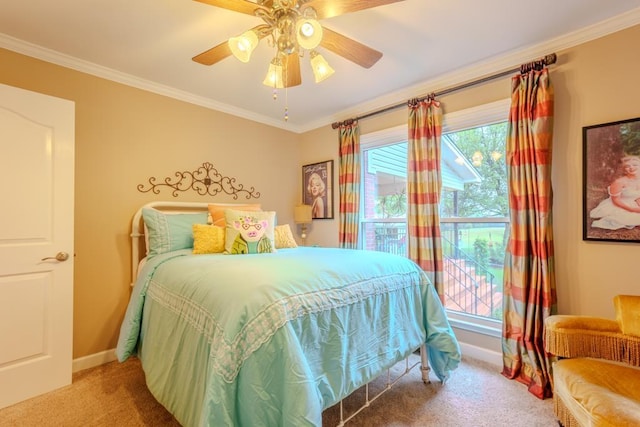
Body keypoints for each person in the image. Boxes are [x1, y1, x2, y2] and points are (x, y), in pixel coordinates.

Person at [590, 155, 640, 230]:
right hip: (619, 204)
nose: (631, 168)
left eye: (635, 165)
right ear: (624, 170)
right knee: (631, 218)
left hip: (634, 202)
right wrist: (631, 209)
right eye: (627, 166)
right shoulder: (619, 182)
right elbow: (615, 200)